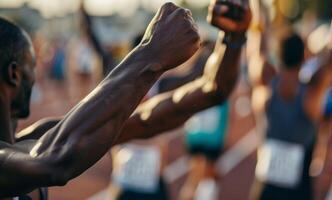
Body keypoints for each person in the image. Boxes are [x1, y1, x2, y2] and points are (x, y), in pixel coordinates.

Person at [0, 2, 200, 198]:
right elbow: (54, 159)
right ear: (14, 74)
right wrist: (152, 53)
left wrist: (231, 41)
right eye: (31, 66)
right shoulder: (23, 153)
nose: (35, 76)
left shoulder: (37, 136)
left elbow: (148, 120)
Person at [247, 0, 332, 199]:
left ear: (277, 56)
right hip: (299, 192)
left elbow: (257, 35)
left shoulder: (264, 85)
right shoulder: (312, 94)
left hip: (265, 189)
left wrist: (256, 4)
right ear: (304, 57)